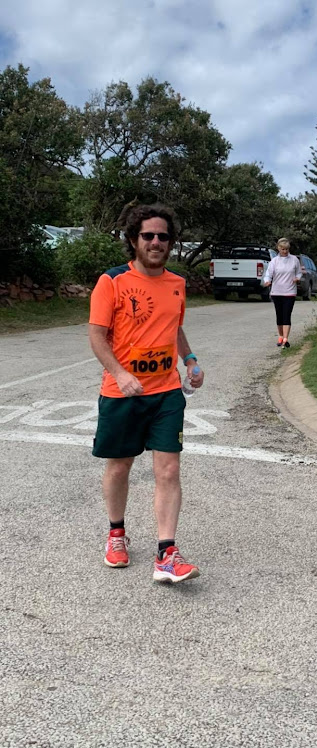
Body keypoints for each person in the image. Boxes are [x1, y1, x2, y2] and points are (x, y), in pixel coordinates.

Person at [89, 203, 203, 584]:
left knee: (169, 469)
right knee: (120, 465)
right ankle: (116, 533)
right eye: (148, 235)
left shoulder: (177, 283)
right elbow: (96, 336)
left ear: (171, 242)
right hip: (122, 394)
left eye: (163, 236)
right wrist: (119, 374)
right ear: (134, 239)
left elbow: (175, 327)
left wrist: (189, 359)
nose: (156, 242)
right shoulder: (113, 281)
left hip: (166, 391)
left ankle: (166, 553)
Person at [262, 238, 302, 348]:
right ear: (278, 248)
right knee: (279, 315)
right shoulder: (274, 261)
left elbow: (299, 273)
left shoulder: (294, 260)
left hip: (289, 292)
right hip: (277, 291)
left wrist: (297, 278)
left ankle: (285, 339)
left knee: (286, 315)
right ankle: (280, 336)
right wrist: (267, 281)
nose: (285, 251)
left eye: (287, 249)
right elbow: (268, 274)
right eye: (283, 249)